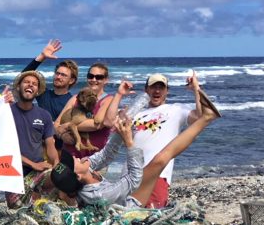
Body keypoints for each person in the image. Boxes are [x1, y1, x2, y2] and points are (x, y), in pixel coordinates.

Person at [49, 78, 219, 207]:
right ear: (78, 176)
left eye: (161, 87)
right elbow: (133, 181)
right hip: (132, 206)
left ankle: (207, 117)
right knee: (161, 159)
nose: (77, 158)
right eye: (74, 162)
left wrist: (119, 132)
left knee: (160, 159)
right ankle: (207, 118)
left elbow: (107, 154)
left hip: (132, 182)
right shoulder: (98, 195)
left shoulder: (87, 169)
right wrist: (129, 142)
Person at [122, 71, 220, 208]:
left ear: (167, 91)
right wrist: (120, 97)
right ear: (146, 90)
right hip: (129, 173)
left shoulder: (176, 109)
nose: (157, 91)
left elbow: (200, 117)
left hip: (158, 174)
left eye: (161, 87)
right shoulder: (136, 114)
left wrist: (196, 89)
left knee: (150, 215)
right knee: (126, 213)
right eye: (153, 87)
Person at [7, 70, 59, 208]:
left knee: (40, 209)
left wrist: (56, 165)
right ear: (18, 87)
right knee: (16, 211)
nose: (30, 85)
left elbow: (50, 146)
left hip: (39, 171)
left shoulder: (44, 115)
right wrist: (32, 164)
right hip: (13, 170)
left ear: (37, 91)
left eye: (34, 84)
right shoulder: (6, 112)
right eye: (26, 82)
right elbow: (4, 149)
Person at [56, 62, 115, 158]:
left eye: (99, 77)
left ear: (106, 80)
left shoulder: (108, 100)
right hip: (69, 156)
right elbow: (56, 124)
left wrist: (67, 126)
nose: (94, 80)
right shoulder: (75, 98)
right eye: (90, 76)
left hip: (94, 159)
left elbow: (97, 124)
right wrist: (62, 135)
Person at [21, 39, 78, 120]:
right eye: (57, 73)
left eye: (63, 75)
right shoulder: (43, 94)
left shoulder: (71, 101)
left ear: (71, 80)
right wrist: (42, 56)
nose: (58, 77)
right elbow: (23, 76)